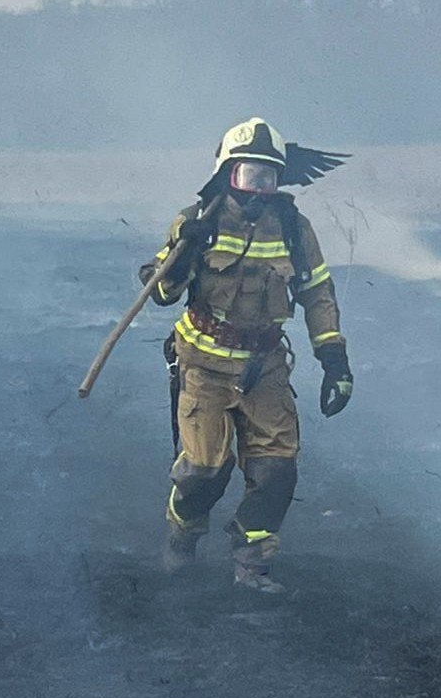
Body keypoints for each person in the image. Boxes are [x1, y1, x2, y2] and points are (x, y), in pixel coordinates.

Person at [139, 118, 352, 593]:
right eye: (250, 176)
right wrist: (182, 253)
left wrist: (334, 359)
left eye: (270, 178)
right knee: (204, 472)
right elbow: (162, 293)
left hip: (266, 368)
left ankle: (251, 566)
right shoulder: (197, 221)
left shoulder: (295, 229)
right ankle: (182, 537)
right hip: (203, 367)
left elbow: (317, 293)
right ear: (228, 173)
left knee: (276, 469)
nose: (260, 189)